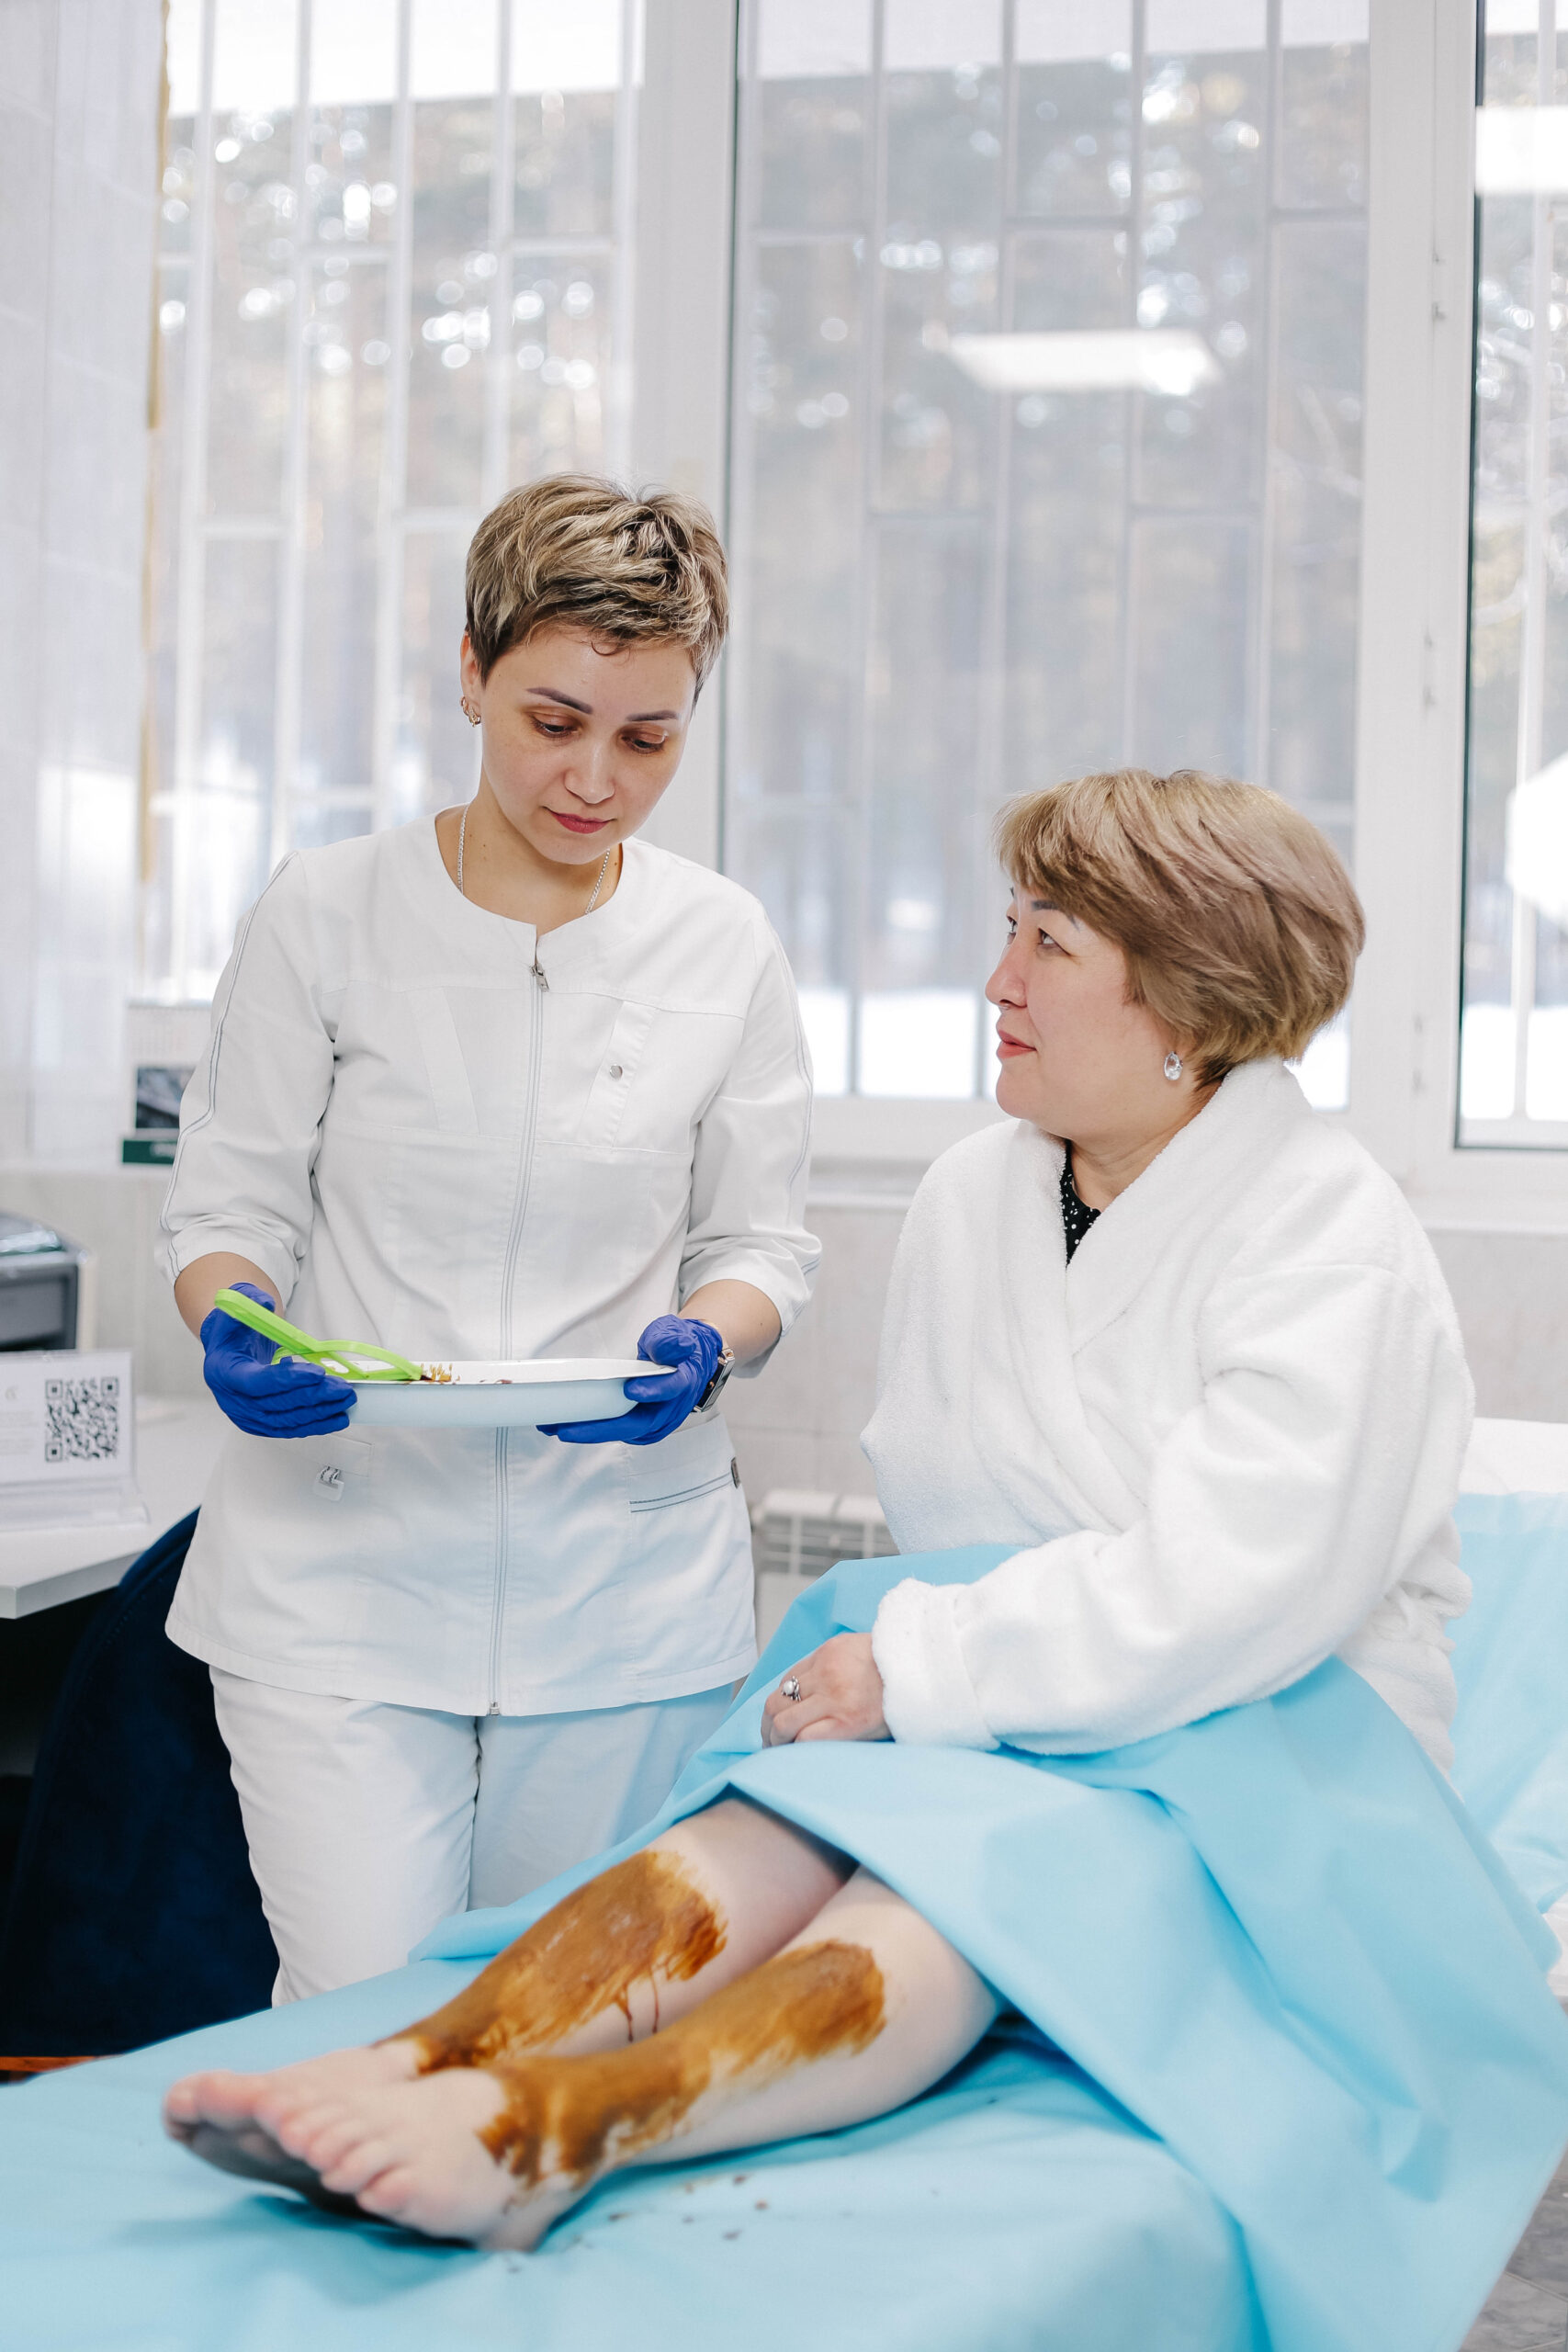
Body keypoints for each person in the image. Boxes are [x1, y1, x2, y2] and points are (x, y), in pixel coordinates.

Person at [164, 767, 1473, 2249]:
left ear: (1191, 999)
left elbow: (1241, 1588)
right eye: (1009, 929)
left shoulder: (1326, 1230)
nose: (998, 981)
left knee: (939, 1891)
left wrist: (930, 1673)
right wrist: (941, 1690)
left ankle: (557, 2129)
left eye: (1048, 945)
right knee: (753, 1830)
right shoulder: (978, 1196)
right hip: (1032, 1699)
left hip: (1264, 1734)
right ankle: (413, 2063)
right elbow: (957, 1512)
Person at [160, 475, 818, 2002]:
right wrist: (234, 1318)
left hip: (622, 1592)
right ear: (471, 671)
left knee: (561, 2031)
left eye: (647, 739)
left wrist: (711, 1338)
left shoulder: (721, 941)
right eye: (553, 720)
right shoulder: (326, 913)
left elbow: (762, 1242)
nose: (594, 778)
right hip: (340, 1573)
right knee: (362, 2019)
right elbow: (228, 1208)